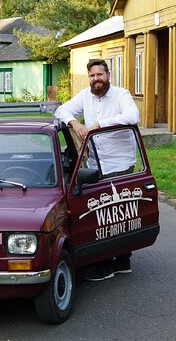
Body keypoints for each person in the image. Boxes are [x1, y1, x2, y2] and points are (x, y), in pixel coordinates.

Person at [55, 58, 140, 281]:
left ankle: (111, 264)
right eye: (92, 76)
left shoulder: (122, 95)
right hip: (95, 164)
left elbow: (133, 117)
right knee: (103, 215)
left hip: (119, 164)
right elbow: (61, 110)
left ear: (108, 75)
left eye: (99, 75)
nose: (96, 79)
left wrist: (99, 125)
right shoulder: (86, 96)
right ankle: (120, 261)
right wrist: (76, 123)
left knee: (116, 214)